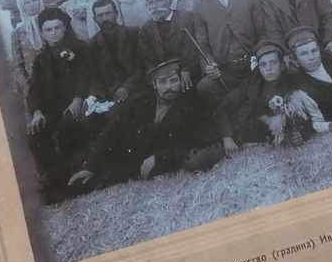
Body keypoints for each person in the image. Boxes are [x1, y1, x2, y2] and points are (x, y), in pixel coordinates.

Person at [69, 59, 224, 187]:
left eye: (173, 80)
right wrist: (90, 166)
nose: (169, 87)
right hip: (125, 154)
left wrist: (160, 157)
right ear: (154, 85)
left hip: (151, 163)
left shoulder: (191, 103)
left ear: (180, 80)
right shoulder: (140, 102)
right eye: (162, 82)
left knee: (91, 183)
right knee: (77, 169)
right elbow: (111, 131)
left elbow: (192, 140)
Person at [26, 7, 102, 204]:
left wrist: (78, 98)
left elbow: (88, 76)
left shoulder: (81, 49)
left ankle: (75, 178)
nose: (54, 33)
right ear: (42, 33)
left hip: (83, 103)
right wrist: (37, 112)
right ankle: (53, 179)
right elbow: (35, 90)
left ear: (65, 28)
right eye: (48, 30)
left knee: (68, 127)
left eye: (57, 28)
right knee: (36, 133)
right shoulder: (41, 59)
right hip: (53, 110)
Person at [194, 0, 280, 100]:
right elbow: (203, 46)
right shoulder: (201, 8)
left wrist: (260, 56)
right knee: (204, 87)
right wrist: (209, 66)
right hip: (226, 70)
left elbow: (263, 32)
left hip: (255, 63)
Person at [216, 41, 319, 154]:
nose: (268, 68)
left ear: (282, 65)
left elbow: (312, 116)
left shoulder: (293, 84)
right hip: (236, 134)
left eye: (273, 62)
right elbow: (223, 107)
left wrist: (302, 134)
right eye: (263, 64)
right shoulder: (251, 84)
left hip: (262, 140)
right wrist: (227, 137)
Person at [137, 0, 204, 91]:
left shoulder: (188, 18)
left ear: (170, 1)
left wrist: (187, 69)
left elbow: (196, 50)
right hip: (162, 77)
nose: (155, 6)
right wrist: (160, 77)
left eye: (159, 0)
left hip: (190, 74)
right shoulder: (146, 29)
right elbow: (148, 60)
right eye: (150, 2)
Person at [87, 0, 142, 103]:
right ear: (95, 19)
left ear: (116, 14)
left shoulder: (133, 34)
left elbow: (142, 66)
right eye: (100, 15)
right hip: (110, 97)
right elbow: (95, 77)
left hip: (137, 90)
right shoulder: (92, 44)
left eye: (108, 13)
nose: (105, 19)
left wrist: (126, 87)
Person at [11, 0, 44, 101]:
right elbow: (17, 64)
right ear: (21, 6)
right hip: (34, 85)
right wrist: (28, 87)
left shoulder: (50, 23)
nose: (32, 5)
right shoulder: (17, 32)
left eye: (34, 0)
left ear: (40, 1)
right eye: (27, 2)